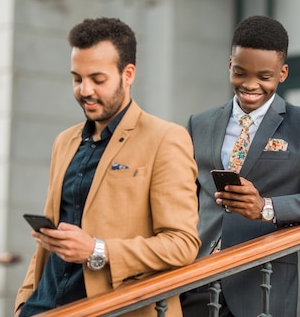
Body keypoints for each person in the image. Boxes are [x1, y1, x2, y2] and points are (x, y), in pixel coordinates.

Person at [180, 15, 300, 317]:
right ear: (229, 63)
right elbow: (183, 200)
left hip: (262, 288)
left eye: (264, 77)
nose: (250, 85)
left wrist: (268, 208)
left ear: (282, 73)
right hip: (195, 284)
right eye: (240, 72)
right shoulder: (198, 124)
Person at [14, 17, 201, 317]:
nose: (84, 90)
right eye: (76, 78)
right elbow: (51, 234)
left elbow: (181, 245)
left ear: (128, 74)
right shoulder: (64, 141)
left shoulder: (166, 138)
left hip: (112, 308)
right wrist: (24, 301)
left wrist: (97, 250)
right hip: (43, 308)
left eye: (97, 79)